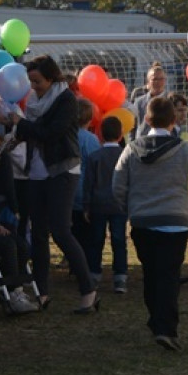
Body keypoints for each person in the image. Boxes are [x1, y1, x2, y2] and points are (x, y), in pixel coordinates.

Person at [0, 56, 97, 313]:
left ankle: (89, 290)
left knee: (61, 231)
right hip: (38, 172)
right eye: (31, 81)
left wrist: (21, 124)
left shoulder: (66, 101)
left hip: (63, 169)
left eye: (37, 81)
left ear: (51, 79)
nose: (33, 86)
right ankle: (42, 292)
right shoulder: (33, 101)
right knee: (38, 232)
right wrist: (13, 127)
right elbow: (32, 130)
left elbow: (50, 133)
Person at [113, 96, 188, 351]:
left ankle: (155, 320)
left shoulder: (131, 149)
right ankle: (165, 328)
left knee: (151, 273)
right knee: (169, 276)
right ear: (174, 120)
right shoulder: (185, 150)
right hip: (175, 222)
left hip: (143, 221)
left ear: (146, 119)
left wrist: (129, 208)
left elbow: (117, 185)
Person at [82, 116, 129, 294]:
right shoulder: (126, 155)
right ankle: (120, 277)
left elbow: (89, 182)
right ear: (120, 134)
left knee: (96, 240)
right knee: (119, 240)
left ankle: (94, 274)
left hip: (98, 204)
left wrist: (86, 205)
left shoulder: (95, 157)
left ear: (100, 134)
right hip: (119, 205)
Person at [71, 98, 100, 275]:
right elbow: (95, 163)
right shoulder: (91, 139)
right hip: (85, 191)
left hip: (68, 190)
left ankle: (75, 265)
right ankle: (86, 265)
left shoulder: (67, 135)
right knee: (88, 234)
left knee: (73, 231)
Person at [132, 63, 167, 138]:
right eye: (154, 79)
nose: (158, 82)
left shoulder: (170, 101)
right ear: (148, 82)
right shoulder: (139, 102)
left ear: (165, 81)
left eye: (161, 79)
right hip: (142, 144)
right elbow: (133, 126)